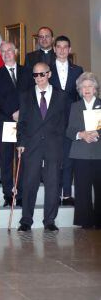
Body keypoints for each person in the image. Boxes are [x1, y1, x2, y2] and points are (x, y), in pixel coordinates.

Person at [17, 62, 67, 232]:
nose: (38, 78)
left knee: (53, 184)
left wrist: (60, 142)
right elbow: (22, 122)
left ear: (49, 74)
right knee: (29, 183)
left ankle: (50, 220)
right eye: (35, 75)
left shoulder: (61, 96)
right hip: (32, 145)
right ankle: (26, 220)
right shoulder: (26, 95)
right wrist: (21, 143)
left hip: (54, 146)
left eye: (42, 74)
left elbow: (65, 122)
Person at [0, 41, 33, 207]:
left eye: (9, 50)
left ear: (15, 51)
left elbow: (31, 94)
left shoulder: (27, 71)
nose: (7, 53)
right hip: (6, 121)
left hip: (24, 122)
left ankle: (20, 193)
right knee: (6, 159)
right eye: (3, 51)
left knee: (22, 159)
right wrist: (13, 113)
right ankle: (8, 194)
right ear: (0, 54)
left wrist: (22, 114)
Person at [49, 35, 84, 206]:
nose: (62, 50)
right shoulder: (46, 69)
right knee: (54, 157)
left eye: (65, 47)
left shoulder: (78, 70)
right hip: (51, 119)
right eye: (59, 47)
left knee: (69, 156)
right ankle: (54, 193)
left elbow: (80, 96)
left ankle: (66, 193)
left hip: (71, 119)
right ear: (54, 49)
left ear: (69, 50)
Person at [66, 72, 101, 228]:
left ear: (95, 89)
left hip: (98, 153)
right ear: (79, 90)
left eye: (89, 86)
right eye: (83, 86)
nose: (86, 89)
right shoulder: (75, 106)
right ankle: (84, 221)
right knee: (82, 189)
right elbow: (69, 130)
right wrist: (81, 134)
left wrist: (97, 133)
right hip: (80, 153)